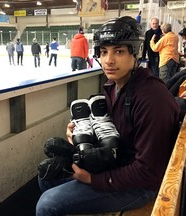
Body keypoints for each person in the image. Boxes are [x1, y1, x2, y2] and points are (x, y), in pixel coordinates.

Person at [36, 16, 180, 216]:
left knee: (48, 204)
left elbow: (148, 171)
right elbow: (116, 129)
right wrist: (81, 133)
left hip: (142, 184)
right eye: (104, 52)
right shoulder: (114, 85)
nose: (108, 60)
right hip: (121, 164)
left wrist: (93, 180)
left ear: (135, 53)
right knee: (46, 177)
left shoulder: (151, 98)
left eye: (119, 51)